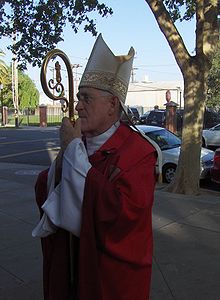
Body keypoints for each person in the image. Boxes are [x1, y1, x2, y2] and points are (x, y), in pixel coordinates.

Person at [32, 34, 159, 300]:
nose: (77, 106)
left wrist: (73, 151)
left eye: (86, 98)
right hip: (71, 266)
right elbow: (45, 186)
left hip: (108, 279)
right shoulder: (81, 143)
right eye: (78, 97)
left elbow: (120, 219)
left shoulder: (139, 153)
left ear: (113, 104)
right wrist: (68, 156)